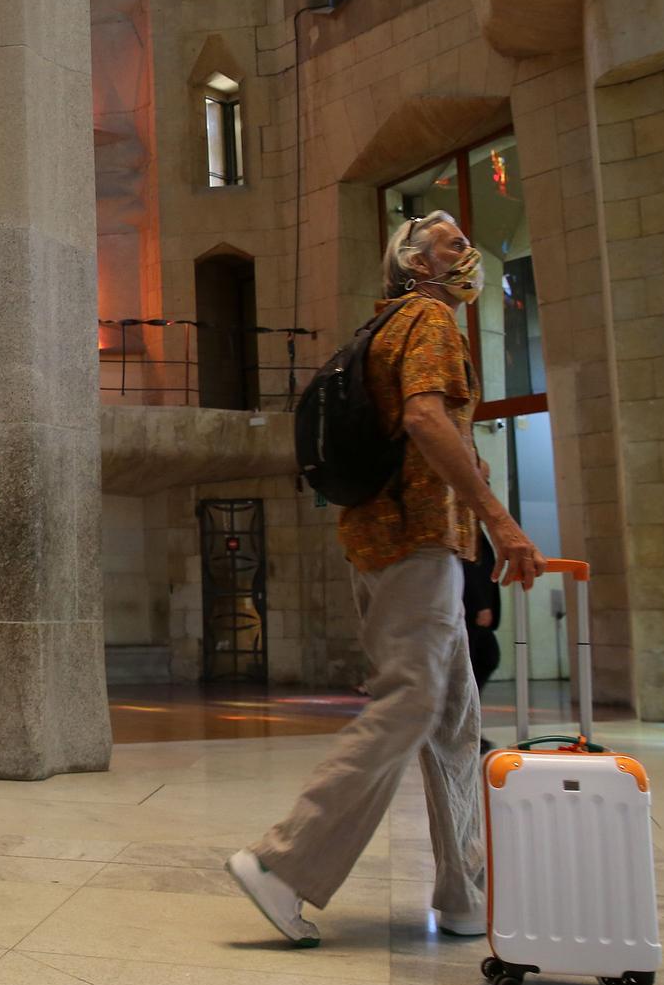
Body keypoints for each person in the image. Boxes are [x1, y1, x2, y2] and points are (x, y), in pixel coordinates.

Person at [225, 211, 547, 946]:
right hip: (413, 540)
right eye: (452, 242)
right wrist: (500, 520)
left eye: (468, 237)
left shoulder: (385, 329)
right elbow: (428, 420)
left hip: (387, 538)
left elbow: (423, 430)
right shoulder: (428, 318)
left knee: (456, 717)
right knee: (414, 700)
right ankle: (283, 863)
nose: (467, 250)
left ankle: (465, 890)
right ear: (415, 264)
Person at [464, 528, 502, 753]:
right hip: (470, 614)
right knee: (483, 660)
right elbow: (467, 568)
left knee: (487, 658)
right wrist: (479, 605)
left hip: (477, 616)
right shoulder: (463, 530)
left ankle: (468, 729)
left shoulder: (475, 530)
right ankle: (466, 731)